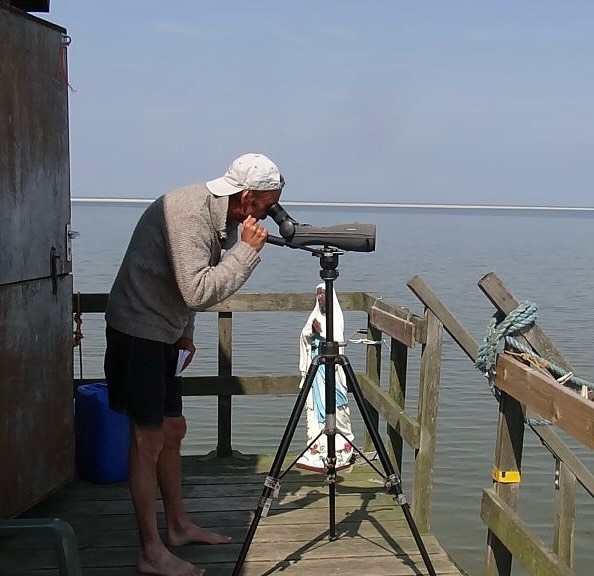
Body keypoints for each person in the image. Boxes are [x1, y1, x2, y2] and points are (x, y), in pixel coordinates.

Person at [103, 153, 284, 576]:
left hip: (164, 328)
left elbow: (184, 286)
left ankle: (179, 526)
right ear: (245, 197)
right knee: (146, 441)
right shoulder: (188, 214)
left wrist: (185, 330)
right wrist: (245, 253)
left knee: (173, 429)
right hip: (137, 330)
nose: (266, 216)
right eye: (264, 206)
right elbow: (197, 288)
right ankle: (150, 551)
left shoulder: (219, 214)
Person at [296, 283, 355, 472]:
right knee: (314, 410)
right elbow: (304, 336)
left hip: (332, 372)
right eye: (318, 294)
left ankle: (341, 448)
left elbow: (336, 338)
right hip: (315, 371)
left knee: (337, 407)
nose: (320, 298)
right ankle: (316, 450)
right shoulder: (314, 316)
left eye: (323, 294)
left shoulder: (336, 318)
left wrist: (320, 333)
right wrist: (311, 332)